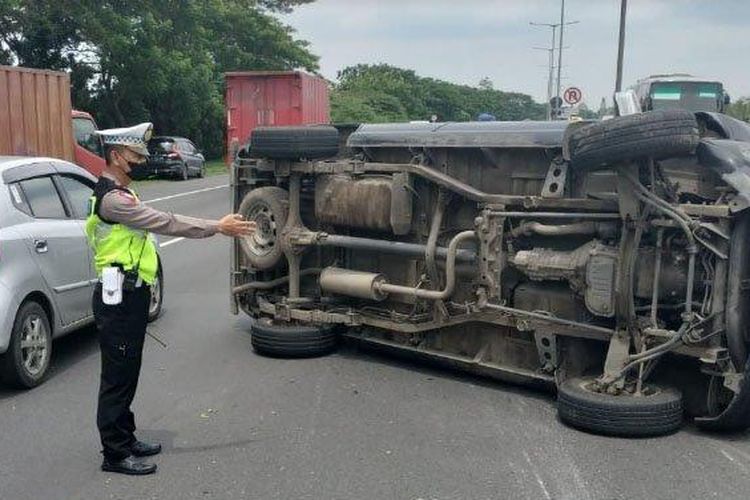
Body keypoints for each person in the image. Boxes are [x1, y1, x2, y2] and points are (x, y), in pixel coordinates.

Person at [85, 123, 255, 475]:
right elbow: (166, 221)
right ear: (117, 157)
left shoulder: (122, 193)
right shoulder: (114, 200)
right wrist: (217, 227)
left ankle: (126, 437)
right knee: (117, 377)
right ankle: (114, 454)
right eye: (136, 156)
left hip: (130, 295)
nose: (142, 161)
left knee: (127, 371)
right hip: (118, 300)